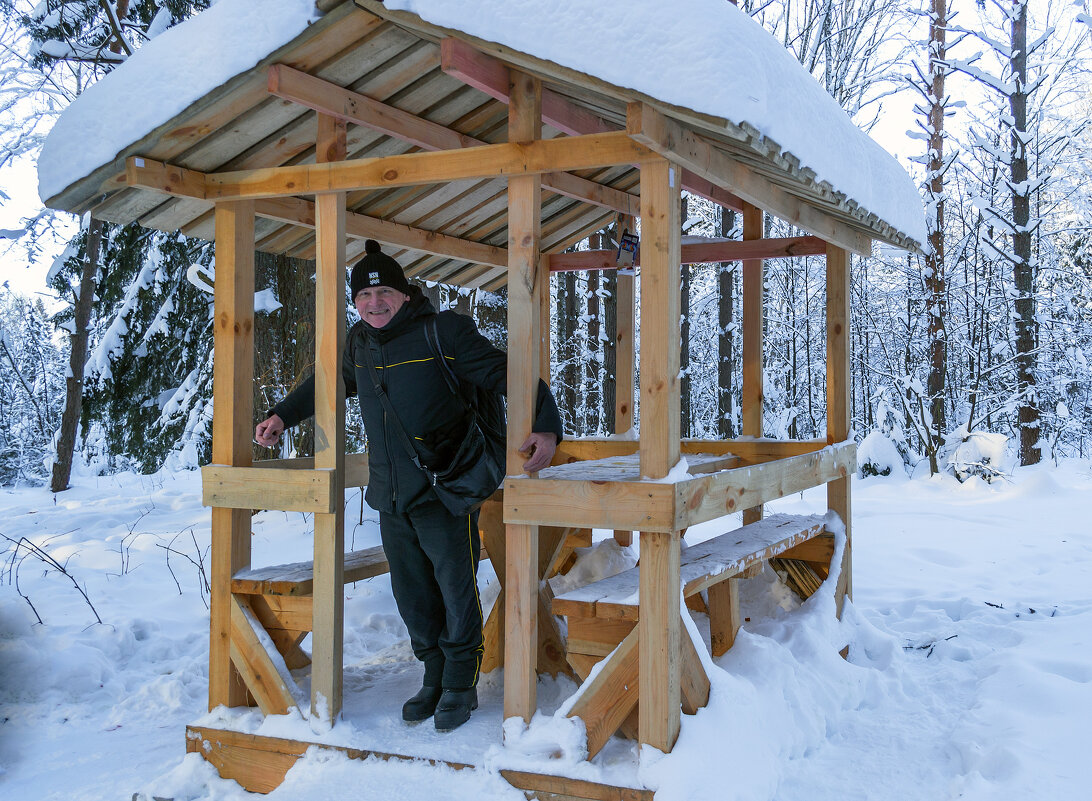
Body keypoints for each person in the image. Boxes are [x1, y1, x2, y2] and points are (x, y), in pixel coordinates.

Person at [254, 239, 562, 732]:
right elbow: (328, 384)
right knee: (412, 595)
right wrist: (282, 415)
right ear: (356, 302)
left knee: (455, 588)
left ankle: (460, 682)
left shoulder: (445, 333)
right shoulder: (359, 344)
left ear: (404, 294)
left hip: (444, 489)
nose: (374, 304)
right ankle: (433, 674)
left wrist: (546, 427)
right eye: (364, 296)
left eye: (384, 294)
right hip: (390, 494)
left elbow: (514, 377)